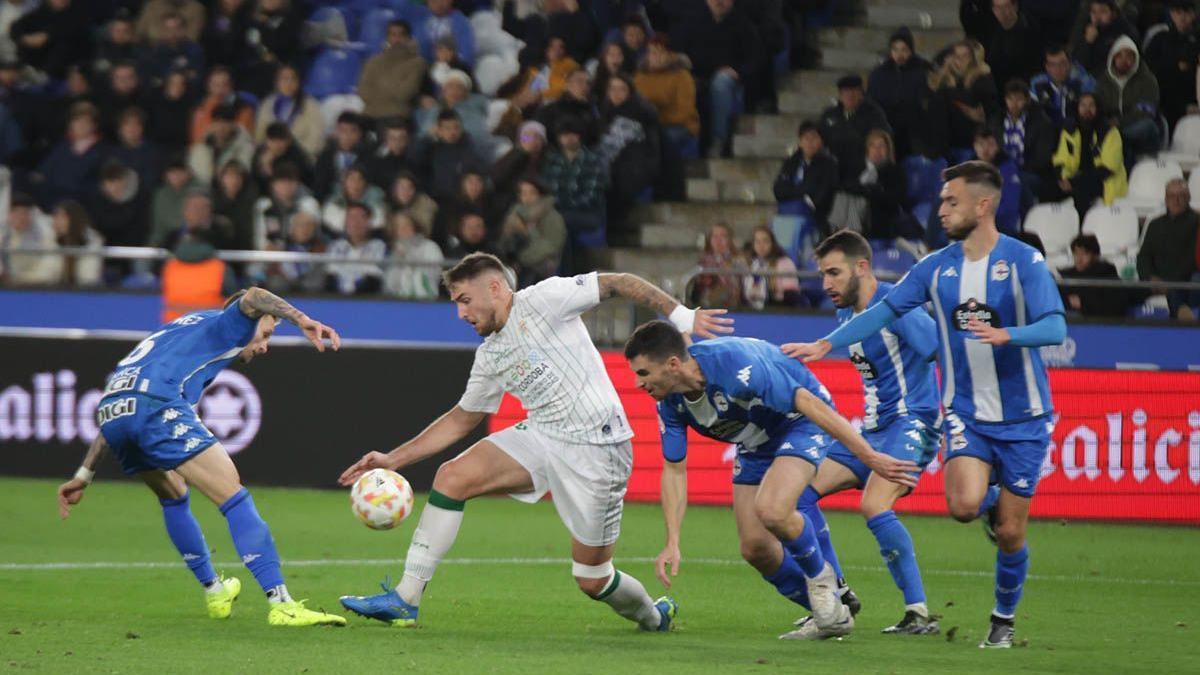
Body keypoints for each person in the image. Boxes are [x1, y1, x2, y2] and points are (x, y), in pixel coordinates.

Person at [336, 253, 734, 630]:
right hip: (544, 434)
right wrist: (393, 458)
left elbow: (619, 281)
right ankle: (406, 598)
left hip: (599, 448)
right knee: (452, 477)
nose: (460, 313)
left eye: (464, 300)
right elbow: (462, 419)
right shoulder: (491, 355)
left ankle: (653, 616)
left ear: (495, 288)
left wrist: (680, 314)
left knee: (592, 578)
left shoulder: (546, 298)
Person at [783, 161, 1068, 649]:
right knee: (950, 505)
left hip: (956, 419)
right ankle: (839, 593)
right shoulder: (932, 269)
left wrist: (1005, 335)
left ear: (982, 205)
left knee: (982, 525)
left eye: (950, 201)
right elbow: (878, 316)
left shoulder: (1022, 261)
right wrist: (824, 344)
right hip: (917, 421)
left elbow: (1049, 330)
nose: (940, 209)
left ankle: (964, 613)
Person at [55, 287, 347, 627]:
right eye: (266, 332)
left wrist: (84, 475)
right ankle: (281, 603)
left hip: (113, 412)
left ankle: (215, 590)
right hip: (155, 405)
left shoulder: (180, 329)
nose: (265, 345)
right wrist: (301, 319)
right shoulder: (231, 325)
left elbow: (122, 405)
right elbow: (253, 294)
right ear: (249, 319)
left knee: (174, 495)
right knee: (234, 497)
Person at [624, 321, 919, 640]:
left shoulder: (736, 367)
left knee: (773, 509)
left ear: (672, 365)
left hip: (800, 422)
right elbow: (674, 470)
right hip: (755, 441)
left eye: (643, 373)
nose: (638, 383)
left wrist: (870, 457)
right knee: (755, 548)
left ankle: (828, 584)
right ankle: (831, 614)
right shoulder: (670, 404)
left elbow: (807, 403)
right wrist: (673, 541)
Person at [785, 230, 942, 636]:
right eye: (823, 275)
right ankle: (837, 593)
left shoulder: (898, 304)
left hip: (914, 422)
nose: (826, 284)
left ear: (862, 267)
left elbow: (933, 347)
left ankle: (918, 612)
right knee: (796, 495)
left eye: (834, 273)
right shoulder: (844, 316)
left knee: (875, 506)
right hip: (872, 430)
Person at [668, 0, 762, 158]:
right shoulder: (692, 21)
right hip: (697, 77)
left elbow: (756, 58)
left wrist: (739, 72)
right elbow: (678, 52)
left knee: (721, 82)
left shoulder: (743, 24)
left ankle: (718, 141)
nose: (719, 2)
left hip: (730, 82)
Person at [1052, 93, 1127, 217]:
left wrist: (1074, 182)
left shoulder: (1110, 132)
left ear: (1098, 108)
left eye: (1091, 105)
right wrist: (1064, 178)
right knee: (1047, 188)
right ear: (1077, 108)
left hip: (1103, 183)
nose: (1087, 109)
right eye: (1083, 105)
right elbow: (1061, 159)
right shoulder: (1070, 130)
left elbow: (1108, 169)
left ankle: (1082, 231)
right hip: (1075, 178)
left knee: (1081, 191)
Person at [1137, 178, 1200, 319]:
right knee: (1122, 291)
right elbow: (1143, 256)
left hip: (1183, 282)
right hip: (1154, 282)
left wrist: (1167, 282)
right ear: (1166, 199)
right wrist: (1150, 277)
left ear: (1188, 198)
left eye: (1181, 196)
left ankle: (1184, 317)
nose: (1176, 200)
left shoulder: (1197, 222)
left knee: (1179, 290)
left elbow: (1193, 259)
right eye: (1171, 196)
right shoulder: (1155, 224)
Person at [867, 28, 933, 159]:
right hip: (888, 131)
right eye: (895, 50)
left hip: (915, 133)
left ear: (911, 50)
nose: (899, 54)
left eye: (904, 50)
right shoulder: (879, 74)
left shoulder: (924, 71)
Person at [1094, 36, 1160, 165]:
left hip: (1136, 126)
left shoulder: (1147, 80)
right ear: (1113, 58)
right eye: (1120, 56)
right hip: (1111, 125)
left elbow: (1146, 110)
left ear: (1136, 58)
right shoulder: (1103, 81)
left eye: (1129, 56)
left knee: (1145, 126)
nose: (1125, 61)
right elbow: (1098, 106)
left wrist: (1119, 122)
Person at [819, 74, 892, 189]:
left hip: (862, 169)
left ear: (861, 94)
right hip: (833, 168)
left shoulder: (873, 114)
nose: (849, 96)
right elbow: (819, 137)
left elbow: (882, 138)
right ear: (840, 95)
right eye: (845, 92)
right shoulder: (830, 114)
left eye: (854, 92)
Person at [989, 79, 1056, 199]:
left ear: (1027, 100)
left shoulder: (1041, 122)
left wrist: (1014, 171)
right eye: (1010, 99)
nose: (1014, 104)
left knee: (1015, 182)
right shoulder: (996, 122)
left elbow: (1042, 159)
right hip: (1000, 171)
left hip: (1030, 173)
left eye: (1019, 99)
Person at [929, 40, 998, 153]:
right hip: (946, 145)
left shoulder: (982, 79)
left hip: (972, 144)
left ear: (972, 58)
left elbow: (978, 106)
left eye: (965, 56)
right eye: (956, 56)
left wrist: (952, 91)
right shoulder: (945, 80)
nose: (960, 60)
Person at [772, 121, 838, 238]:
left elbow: (821, 195)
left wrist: (794, 191)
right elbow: (778, 190)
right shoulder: (791, 162)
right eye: (806, 139)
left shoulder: (828, 164)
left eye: (813, 138)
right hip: (788, 214)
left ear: (820, 141)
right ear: (800, 142)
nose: (809, 143)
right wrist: (802, 193)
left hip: (815, 219)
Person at [498, 177, 566, 286]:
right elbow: (503, 243)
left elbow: (551, 247)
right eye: (523, 193)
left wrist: (526, 231)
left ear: (540, 194)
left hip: (540, 264)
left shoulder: (552, 217)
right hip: (515, 262)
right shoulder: (515, 213)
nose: (527, 197)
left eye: (532, 193)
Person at [846, 129, 912, 240]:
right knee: (843, 198)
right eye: (873, 146)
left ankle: (849, 239)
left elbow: (896, 197)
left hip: (882, 214)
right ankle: (840, 236)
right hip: (856, 212)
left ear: (888, 150)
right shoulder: (859, 168)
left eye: (881, 146)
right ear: (867, 149)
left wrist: (871, 192)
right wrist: (868, 190)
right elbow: (848, 186)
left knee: (858, 202)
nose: (877, 150)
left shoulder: (895, 171)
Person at [1142, 0, 1199, 128]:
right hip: (1164, 102)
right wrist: (1175, 67)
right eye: (1178, 12)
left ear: (1194, 14)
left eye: (1187, 12)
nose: (1182, 17)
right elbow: (1148, 68)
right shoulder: (1159, 39)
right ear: (1172, 14)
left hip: (1193, 103)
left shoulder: (1197, 40)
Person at [359, 19, 427, 123]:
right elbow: (364, 92)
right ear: (387, 38)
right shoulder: (373, 61)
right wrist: (392, 87)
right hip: (369, 114)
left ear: (408, 38)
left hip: (398, 115)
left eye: (401, 35)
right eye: (393, 35)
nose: (397, 39)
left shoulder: (417, 63)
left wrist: (380, 87)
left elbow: (404, 94)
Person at [254, 64, 326, 159]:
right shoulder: (268, 104)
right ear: (277, 82)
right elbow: (260, 135)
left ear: (299, 82)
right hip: (271, 155)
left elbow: (316, 139)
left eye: (293, 79)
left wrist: (295, 155)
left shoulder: (310, 105)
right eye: (284, 79)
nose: (289, 83)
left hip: (300, 158)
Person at [1059, 233, 1129, 316]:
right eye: (1076, 253)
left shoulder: (1107, 276)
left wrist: (1082, 303)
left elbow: (1115, 307)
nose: (1079, 258)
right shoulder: (1068, 277)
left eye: (1084, 254)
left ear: (1095, 256)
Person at [1029, 45, 1097, 130]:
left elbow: (1091, 113)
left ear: (1069, 64)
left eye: (1062, 63)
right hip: (1047, 133)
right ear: (1047, 67)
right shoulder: (1037, 84)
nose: (1058, 69)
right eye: (1052, 65)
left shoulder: (1084, 83)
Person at [325, 203, 387, 295]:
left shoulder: (379, 246)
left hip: (366, 298)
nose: (355, 222)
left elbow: (373, 277)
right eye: (351, 218)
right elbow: (331, 274)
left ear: (369, 222)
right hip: (336, 298)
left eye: (360, 218)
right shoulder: (336, 246)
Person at [0, 192, 58, 285]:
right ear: (9, 214)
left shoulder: (45, 235)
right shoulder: (3, 233)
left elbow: (49, 267)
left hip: (32, 287)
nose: (21, 218)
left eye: (25, 213)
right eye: (16, 213)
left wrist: (21, 280)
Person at [384, 212, 444, 300]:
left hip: (427, 300)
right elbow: (391, 285)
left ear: (415, 226)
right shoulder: (395, 251)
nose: (403, 229)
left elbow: (435, 273)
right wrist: (398, 260)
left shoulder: (430, 246)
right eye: (399, 227)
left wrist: (408, 256)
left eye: (406, 225)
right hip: (402, 302)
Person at [1072, 0, 1139, 75]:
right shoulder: (1087, 28)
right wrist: (1087, 42)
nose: (1097, 16)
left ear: (1113, 13)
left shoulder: (1126, 32)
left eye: (1103, 11)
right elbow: (1077, 63)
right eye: (1093, 12)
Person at [47, 199, 104, 287]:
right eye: (56, 217)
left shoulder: (92, 241)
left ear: (75, 219)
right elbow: (47, 274)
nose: (57, 221)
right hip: (54, 292)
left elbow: (89, 278)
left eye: (63, 217)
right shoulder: (50, 238)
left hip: (83, 293)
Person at [742, 225, 800, 309]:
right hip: (751, 310)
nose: (761, 246)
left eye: (765, 241)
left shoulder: (785, 262)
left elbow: (791, 295)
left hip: (777, 310)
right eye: (757, 241)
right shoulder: (751, 264)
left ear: (772, 243)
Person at [691, 222, 746, 309]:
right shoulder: (703, 262)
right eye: (715, 236)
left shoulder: (739, 260)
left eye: (723, 236)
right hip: (709, 307)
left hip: (737, 308)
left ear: (730, 240)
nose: (718, 240)